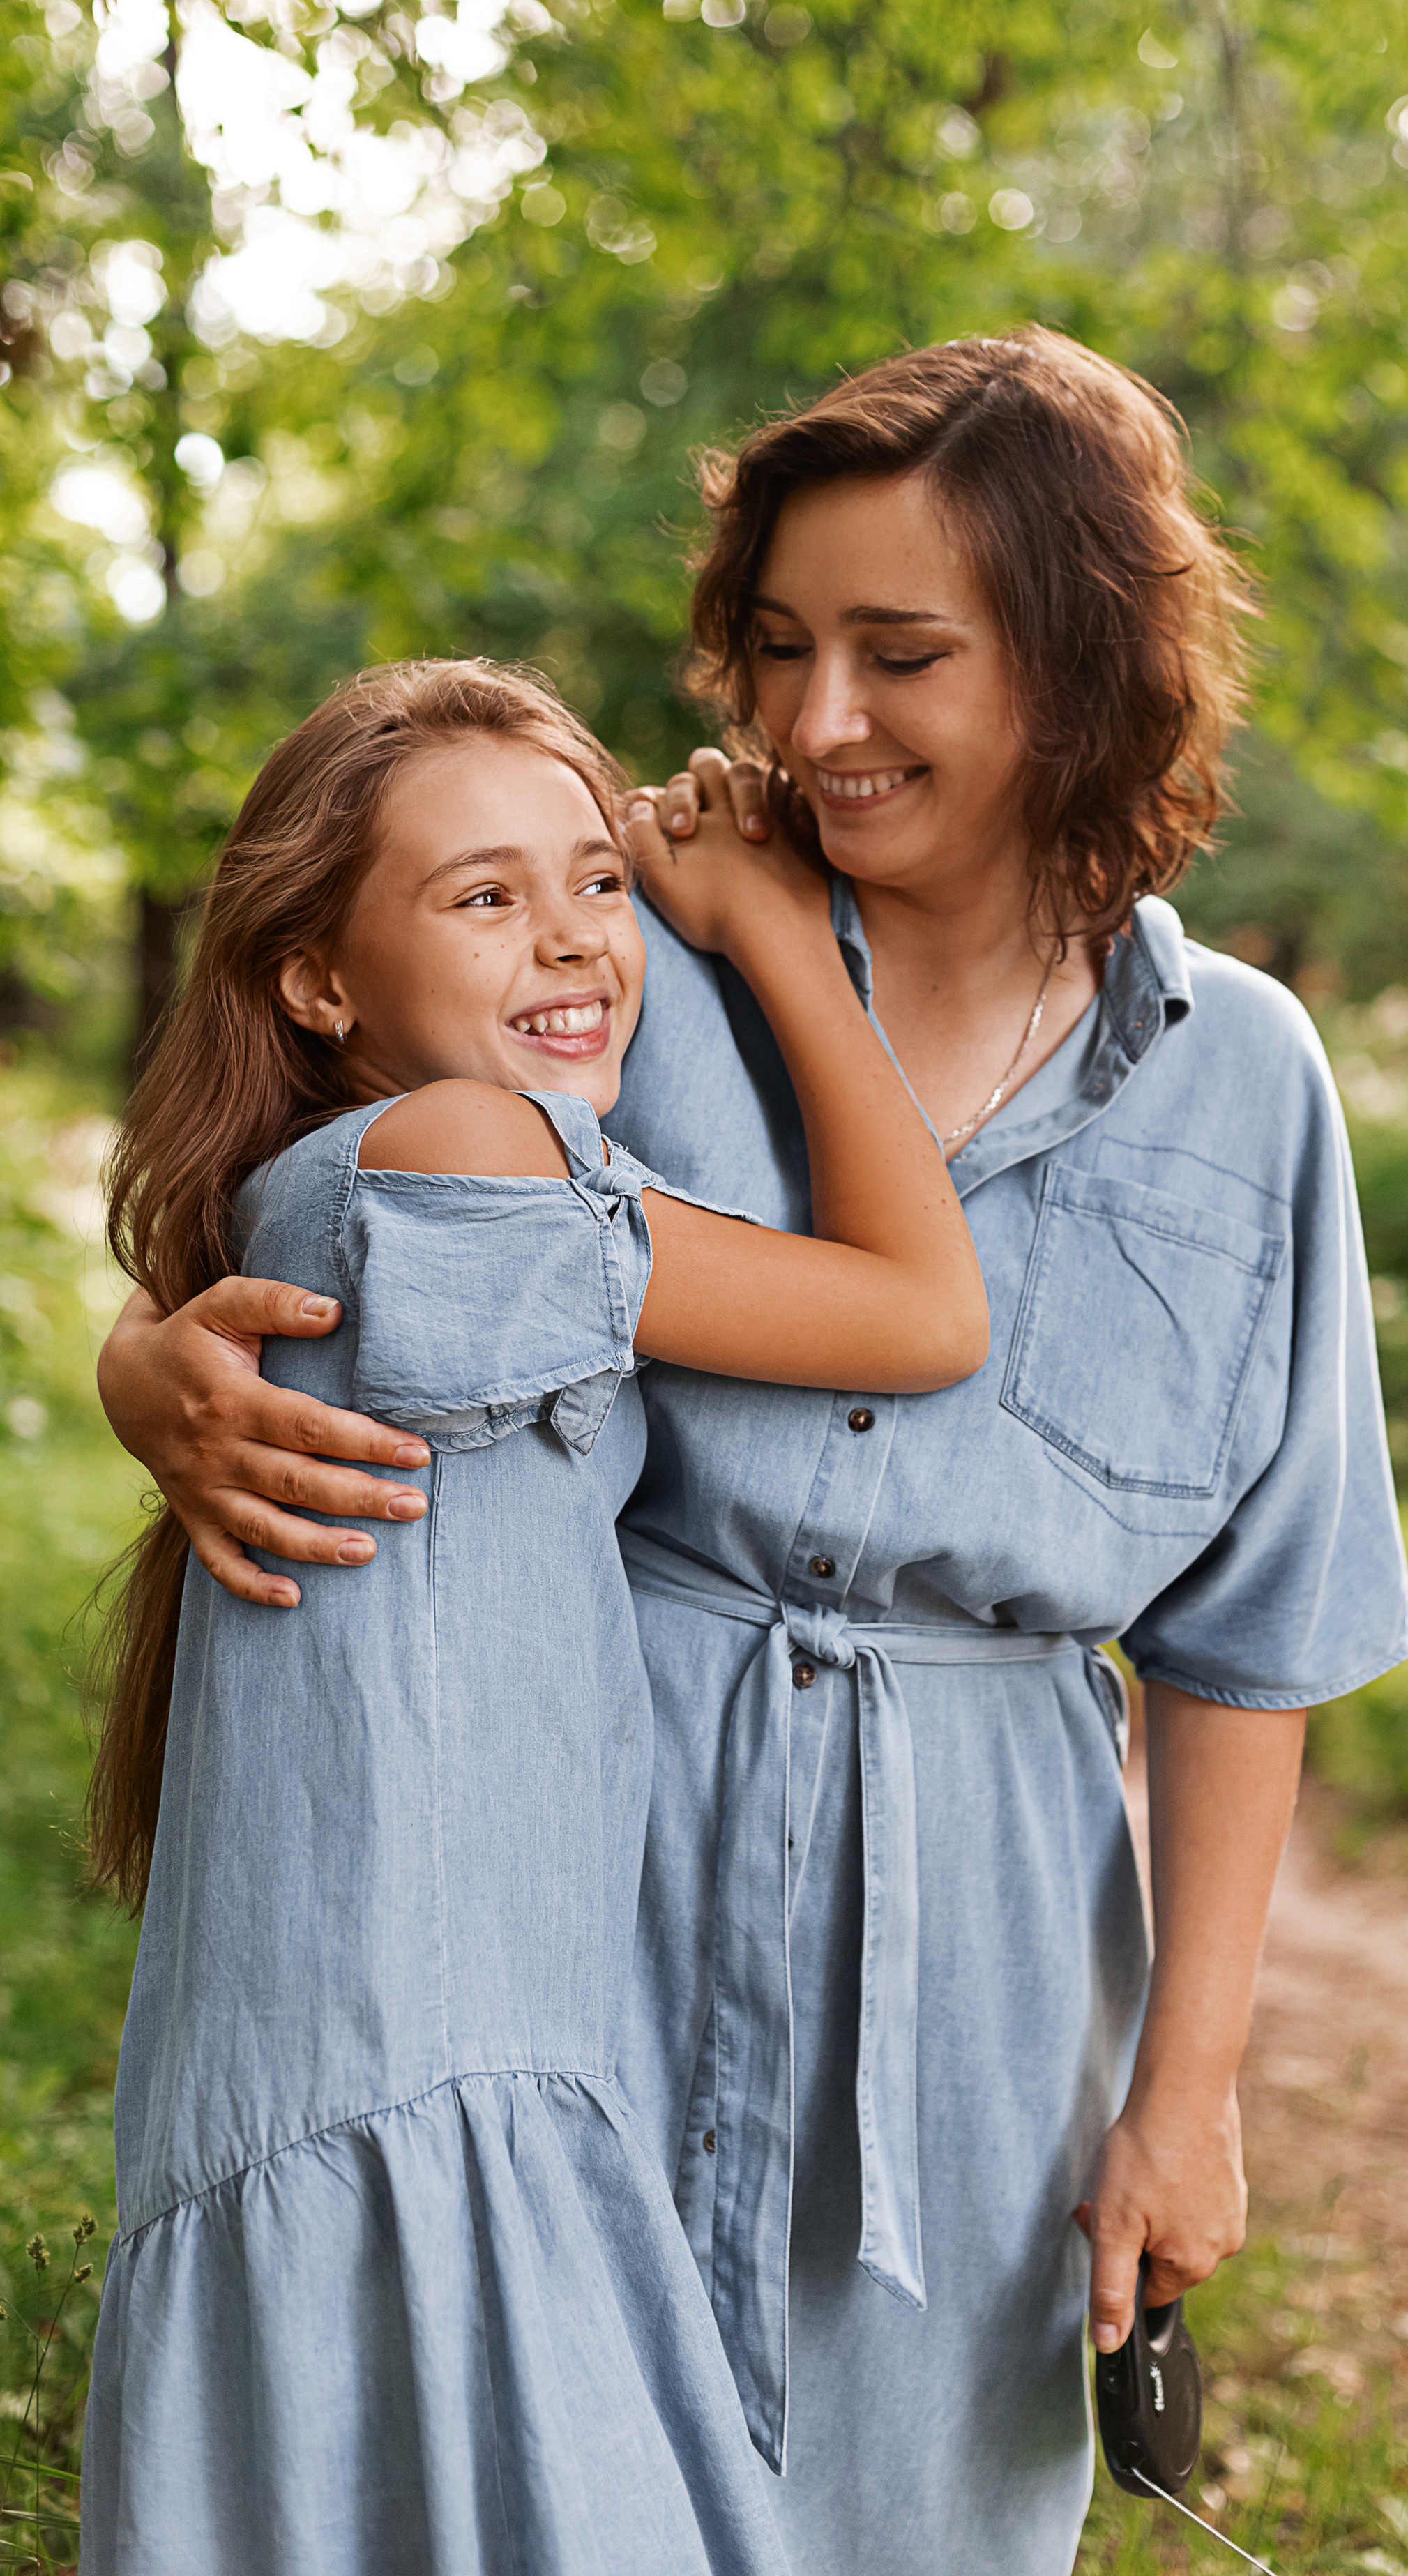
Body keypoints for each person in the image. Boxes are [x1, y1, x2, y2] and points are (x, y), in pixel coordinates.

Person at [96, 331, 1408, 2576]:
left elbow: (1252, 1639)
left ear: (1082, 676)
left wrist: (1183, 2097)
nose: (813, 724)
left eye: (903, 655)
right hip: (596, 1862)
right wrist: (150, 1365)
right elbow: (317, 1156)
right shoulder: (628, 963)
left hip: (987, 1951)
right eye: (782, 648)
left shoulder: (1244, 1081)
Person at [79, 658, 986, 2576]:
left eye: (598, 881)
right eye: (483, 898)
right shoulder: (475, 1160)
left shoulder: (333, 1187)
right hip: (425, 2056)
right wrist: (771, 936)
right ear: (320, 982)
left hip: (418, 2047)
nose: (575, 939)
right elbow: (923, 1314)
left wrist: (125, 1358)